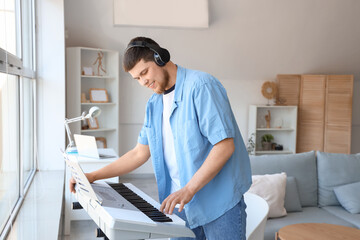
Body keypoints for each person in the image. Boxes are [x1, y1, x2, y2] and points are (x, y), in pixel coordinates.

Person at [69, 37, 252, 240]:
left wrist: (189, 189)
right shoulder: (154, 104)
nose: (143, 82)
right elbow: (139, 153)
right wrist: (92, 176)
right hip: (179, 205)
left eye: (144, 72)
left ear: (160, 58)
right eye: (137, 78)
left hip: (219, 204)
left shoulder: (201, 86)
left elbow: (224, 146)